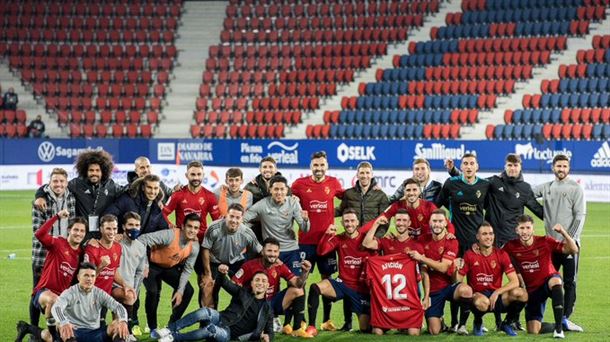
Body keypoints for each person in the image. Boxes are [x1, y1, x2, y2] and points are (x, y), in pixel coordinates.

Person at [291, 151, 344, 331]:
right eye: (316, 165)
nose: (319, 168)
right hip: (305, 242)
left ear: (326, 166)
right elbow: (286, 197)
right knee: (301, 280)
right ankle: (302, 320)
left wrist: (335, 214)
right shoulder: (299, 184)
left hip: (327, 242)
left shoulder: (334, 183)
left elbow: (348, 199)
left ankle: (326, 320)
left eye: (322, 165)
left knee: (327, 280)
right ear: (311, 166)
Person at [503, 215, 579, 338]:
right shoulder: (510, 246)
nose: (525, 231)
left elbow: (573, 249)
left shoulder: (545, 241)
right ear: (516, 230)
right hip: (532, 291)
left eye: (528, 228)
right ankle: (561, 325)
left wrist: (563, 232)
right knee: (533, 330)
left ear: (533, 229)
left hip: (547, 282)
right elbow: (496, 255)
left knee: (555, 280)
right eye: (522, 228)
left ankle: (559, 330)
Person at [533, 154, 586, 332]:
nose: (561, 169)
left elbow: (579, 217)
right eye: (558, 166)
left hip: (569, 245)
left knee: (570, 282)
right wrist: (542, 213)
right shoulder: (547, 187)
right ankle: (536, 317)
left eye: (564, 166)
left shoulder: (575, 188)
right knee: (544, 281)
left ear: (568, 168)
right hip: (550, 246)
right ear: (553, 168)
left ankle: (565, 318)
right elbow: (527, 194)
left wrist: (568, 239)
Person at [445, 153, 544, 247]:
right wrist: (453, 171)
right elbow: (473, 182)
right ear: (505, 166)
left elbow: (538, 210)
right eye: (509, 165)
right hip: (490, 237)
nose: (512, 168)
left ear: (520, 167)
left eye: (515, 165)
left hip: (513, 239)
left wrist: (556, 219)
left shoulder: (525, 189)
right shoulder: (494, 181)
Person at [18, 210, 87, 342]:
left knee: (59, 337)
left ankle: (27, 328)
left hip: (62, 298)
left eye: (82, 231)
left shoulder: (81, 253)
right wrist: (56, 217)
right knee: (53, 300)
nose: (78, 233)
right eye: (76, 230)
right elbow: (39, 234)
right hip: (43, 293)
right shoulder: (58, 243)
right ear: (69, 230)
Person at [306, 208, 376, 336]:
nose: (349, 224)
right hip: (342, 283)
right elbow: (321, 251)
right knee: (315, 288)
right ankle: (311, 326)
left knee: (366, 328)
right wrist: (327, 234)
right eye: (346, 221)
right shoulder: (339, 238)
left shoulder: (367, 240)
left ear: (357, 222)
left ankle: (354, 319)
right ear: (342, 223)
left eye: (352, 221)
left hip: (361, 289)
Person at [335, 162, 387, 332]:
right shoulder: (349, 194)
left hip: (370, 246)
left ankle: (377, 316)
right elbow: (341, 211)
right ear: (357, 175)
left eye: (367, 173)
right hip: (351, 243)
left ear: (372, 174)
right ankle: (347, 321)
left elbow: (385, 222)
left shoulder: (380, 195)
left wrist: (374, 241)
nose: (364, 176)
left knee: (369, 282)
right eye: (361, 173)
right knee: (347, 278)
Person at [151, 271, 274, 342]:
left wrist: (267, 336)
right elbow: (225, 282)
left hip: (228, 333)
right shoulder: (242, 292)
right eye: (257, 280)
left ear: (268, 285)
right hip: (220, 318)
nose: (260, 283)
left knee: (211, 330)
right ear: (252, 283)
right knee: (205, 311)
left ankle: (175, 338)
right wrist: (221, 272)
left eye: (263, 281)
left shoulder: (267, 309)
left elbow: (270, 331)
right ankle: (169, 329)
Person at [162, 161, 220, 307]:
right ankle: (173, 323)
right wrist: (173, 227)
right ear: (186, 175)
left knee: (205, 282)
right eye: (193, 174)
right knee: (179, 284)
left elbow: (217, 222)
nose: (196, 177)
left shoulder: (210, 196)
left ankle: (206, 322)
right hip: (181, 245)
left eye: (198, 174)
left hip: (201, 246)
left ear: (203, 175)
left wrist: (211, 240)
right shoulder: (177, 195)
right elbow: (163, 213)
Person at [454, 222, 528, 336]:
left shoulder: (501, 254)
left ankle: (506, 323)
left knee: (522, 294)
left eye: (491, 234)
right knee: (482, 302)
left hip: (496, 297)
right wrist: (456, 269)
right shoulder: (469, 254)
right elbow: (458, 281)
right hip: (478, 298)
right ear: (477, 237)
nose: (488, 237)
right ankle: (477, 322)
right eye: (484, 234)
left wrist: (497, 292)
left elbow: (515, 281)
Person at [405, 209, 469, 336]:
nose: (437, 224)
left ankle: (461, 324)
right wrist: (426, 296)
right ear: (429, 222)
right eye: (434, 221)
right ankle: (441, 321)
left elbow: (444, 268)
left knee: (466, 290)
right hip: (433, 290)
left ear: (446, 223)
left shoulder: (452, 241)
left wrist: (422, 258)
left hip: (449, 286)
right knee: (434, 331)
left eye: (440, 221)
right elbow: (424, 271)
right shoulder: (422, 240)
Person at [232, 238, 311, 338]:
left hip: (272, 304)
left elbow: (298, 283)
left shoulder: (279, 266)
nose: (272, 254)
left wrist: (305, 272)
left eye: (275, 251)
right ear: (262, 251)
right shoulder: (249, 266)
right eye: (269, 251)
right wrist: (245, 299)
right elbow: (234, 283)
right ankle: (262, 323)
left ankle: (297, 328)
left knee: (298, 290)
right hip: (253, 306)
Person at [137, 213, 200, 335]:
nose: (192, 230)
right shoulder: (169, 235)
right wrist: (144, 264)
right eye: (189, 226)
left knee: (188, 291)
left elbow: (187, 270)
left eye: (196, 228)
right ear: (182, 226)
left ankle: (172, 326)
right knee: (153, 292)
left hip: (169, 267)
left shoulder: (195, 247)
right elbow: (142, 239)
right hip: (152, 264)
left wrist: (180, 291)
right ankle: (153, 328)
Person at [34, 150, 124, 234]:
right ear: (85, 171)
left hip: (103, 234)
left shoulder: (111, 185)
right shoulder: (76, 184)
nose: (94, 173)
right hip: (82, 235)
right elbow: (56, 187)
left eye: (97, 170)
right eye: (91, 170)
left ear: (103, 171)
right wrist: (40, 196)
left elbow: (126, 191)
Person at [29, 168, 76, 327]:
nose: (58, 184)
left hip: (63, 256)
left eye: (62, 181)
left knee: (60, 294)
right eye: (55, 181)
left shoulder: (71, 198)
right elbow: (38, 231)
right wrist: (40, 194)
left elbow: (73, 225)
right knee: (36, 292)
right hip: (42, 256)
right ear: (49, 182)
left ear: (66, 183)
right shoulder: (40, 201)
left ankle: (55, 329)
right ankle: (34, 329)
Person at [243, 175, 309, 275]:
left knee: (297, 288)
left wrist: (305, 220)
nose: (279, 192)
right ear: (270, 190)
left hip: (291, 250)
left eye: (282, 189)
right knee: (270, 288)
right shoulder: (262, 204)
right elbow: (243, 220)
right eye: (276, 189)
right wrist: (249, 234)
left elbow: (304, 229)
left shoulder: (293, 203)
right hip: (271, 252)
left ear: (287, 190)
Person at [200, 203, 262, 308]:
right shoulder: (214, 228)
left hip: (236, 262)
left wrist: (276, 261)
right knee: (208, 288)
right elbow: (205, 248)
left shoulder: (247, 233)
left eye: (238, 217)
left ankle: (239, 317)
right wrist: (208, 273)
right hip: (214, 261)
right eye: (231, 216)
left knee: (248, 288)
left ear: (242, 219)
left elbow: (259, 250)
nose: (234, 220)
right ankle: (206, 322)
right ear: (226, 216)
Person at [51, 262, 129, 342]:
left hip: (96, 333)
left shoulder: (99, 293)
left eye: (92, 276)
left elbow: (118, 307)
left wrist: (123, 320)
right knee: (60, 325)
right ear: (78, 277)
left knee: (117, 325)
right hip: (74, 332)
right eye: (86, 275)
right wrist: (64, 322)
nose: (89, 279)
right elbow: (56, 307)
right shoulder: (70, 292)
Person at [84, 215, 135, 327]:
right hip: (92, 293)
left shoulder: (117, 247)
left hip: (108, 290)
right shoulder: (92, 248)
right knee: (97, 328)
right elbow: (86, 280)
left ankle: (127, 330)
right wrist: (101, 266)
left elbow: (114, 271)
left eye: (114, 229)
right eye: (108, 228)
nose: (112, 232)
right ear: (101, 229)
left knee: (129, 295)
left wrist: (125, 285)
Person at [439, 153, 490, 256]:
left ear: (477, 167)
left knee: (476, 272)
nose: (469, 166)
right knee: (454, 270)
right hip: (454, 238)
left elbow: (490, 208)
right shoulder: (451, 183)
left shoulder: (485, 185)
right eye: (465, 163)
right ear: (461, 167)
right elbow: (437, 204)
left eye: (472, 163)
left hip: (476, 240)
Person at [379, 178, 455, 240]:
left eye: (414, 190)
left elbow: (447, 223)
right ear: (404, 192)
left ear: (419, 191)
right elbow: (381, 218)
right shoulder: (397, 205)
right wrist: (370, 233)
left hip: (425, 245)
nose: (411, 193)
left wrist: (450, 233)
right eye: (408, 190)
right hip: (406, 245)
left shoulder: (429, 206)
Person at [112, 212, 148, 340]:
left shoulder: (141, 247)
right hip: (112, 285)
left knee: (129, 298)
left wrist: (136, 289)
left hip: (128, 287)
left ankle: (120, 333)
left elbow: (139, 272)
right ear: (123, 226)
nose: (134, 228)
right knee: (128, 297)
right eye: (130, 225)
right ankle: (125, 333)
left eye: (137, 225)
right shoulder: (115, 242)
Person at [104, 174, 169, 234]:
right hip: (123, 244)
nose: (152, 192)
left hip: (143, 245)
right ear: (143, 188)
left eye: (155, 188)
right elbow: (107, 215)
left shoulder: (158, 207)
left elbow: (163, 230)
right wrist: (115, 234)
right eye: (149, 187)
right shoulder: (127, 199)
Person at [243, 156, 288, 242]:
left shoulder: (284, 187)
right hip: (256, 231)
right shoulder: (250, 186)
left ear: (275, 169)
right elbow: (244, 209)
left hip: (277, 231)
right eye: (264, 167)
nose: (267, 169)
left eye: (270, 167)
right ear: (260, 169)